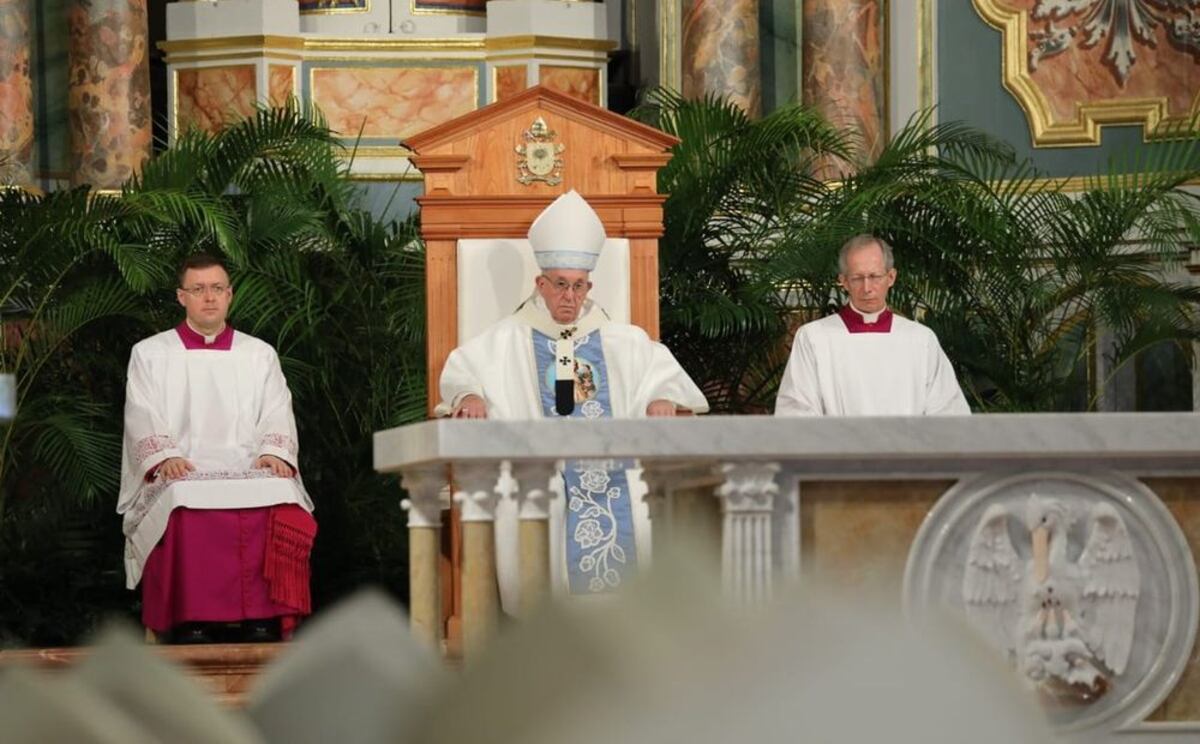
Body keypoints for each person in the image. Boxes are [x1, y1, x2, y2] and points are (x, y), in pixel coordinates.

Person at [437, 190, 709, 611]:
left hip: (611, 463)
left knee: (639, 496)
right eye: (560, 284)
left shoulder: (623, 339)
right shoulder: (506, 339)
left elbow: (665, 379)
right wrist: (469, 394)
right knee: (534, 496)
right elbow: (462, 372)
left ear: (589, 286)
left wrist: (662, 397)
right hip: (537, 466)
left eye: (578, 286)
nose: (569, 296)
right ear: (540, 283)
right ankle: (546, 628)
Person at [118, 254, 317, 643]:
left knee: (280, 493)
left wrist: (274, 452)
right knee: (182, 498)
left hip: (249, 465)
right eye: (198, 289)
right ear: (181, 297)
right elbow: (142, 411)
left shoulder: (258, 354)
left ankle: (264, 617)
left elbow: (277, 407)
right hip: (182, 467)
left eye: (217, 289)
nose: (208, 297)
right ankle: (192, 619)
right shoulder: (151, 353)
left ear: (230, 295)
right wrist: (164, 457)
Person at [775, 234, 970, 416]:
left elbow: (947, 413)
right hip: (840, 451)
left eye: (875, 276)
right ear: (843, 281)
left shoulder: (920, 339)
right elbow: (797, 413)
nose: (867, 288)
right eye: (858, 278)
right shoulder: (814, 338)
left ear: (891, 277)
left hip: (908, 451)